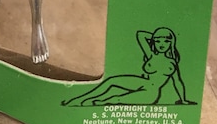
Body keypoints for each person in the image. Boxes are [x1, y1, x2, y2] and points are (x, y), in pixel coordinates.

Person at [62, 27, 195, 106]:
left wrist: (183, 100)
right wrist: (155, 37)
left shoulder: (172, 62)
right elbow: (141, 35)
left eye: (166, 41)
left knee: (115, 100)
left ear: (171, 43)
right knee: (111, 81)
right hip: (143, 82)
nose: (161, 44)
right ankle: (80, 99)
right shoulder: (151, 54)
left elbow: (178, 82)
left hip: (150, 92)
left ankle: (92, 102)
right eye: (158, 41)